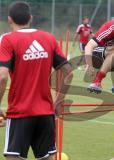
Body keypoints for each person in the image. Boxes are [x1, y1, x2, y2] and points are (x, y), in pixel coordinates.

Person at [0, 2, 73, 160]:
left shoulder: (7, 40)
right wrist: (59, 101)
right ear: (30, 18)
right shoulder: (48, 38)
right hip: (46, 113)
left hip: (20, 113)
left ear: (10, 20)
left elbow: (2, 76)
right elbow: (68, 71)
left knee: (13, 157)